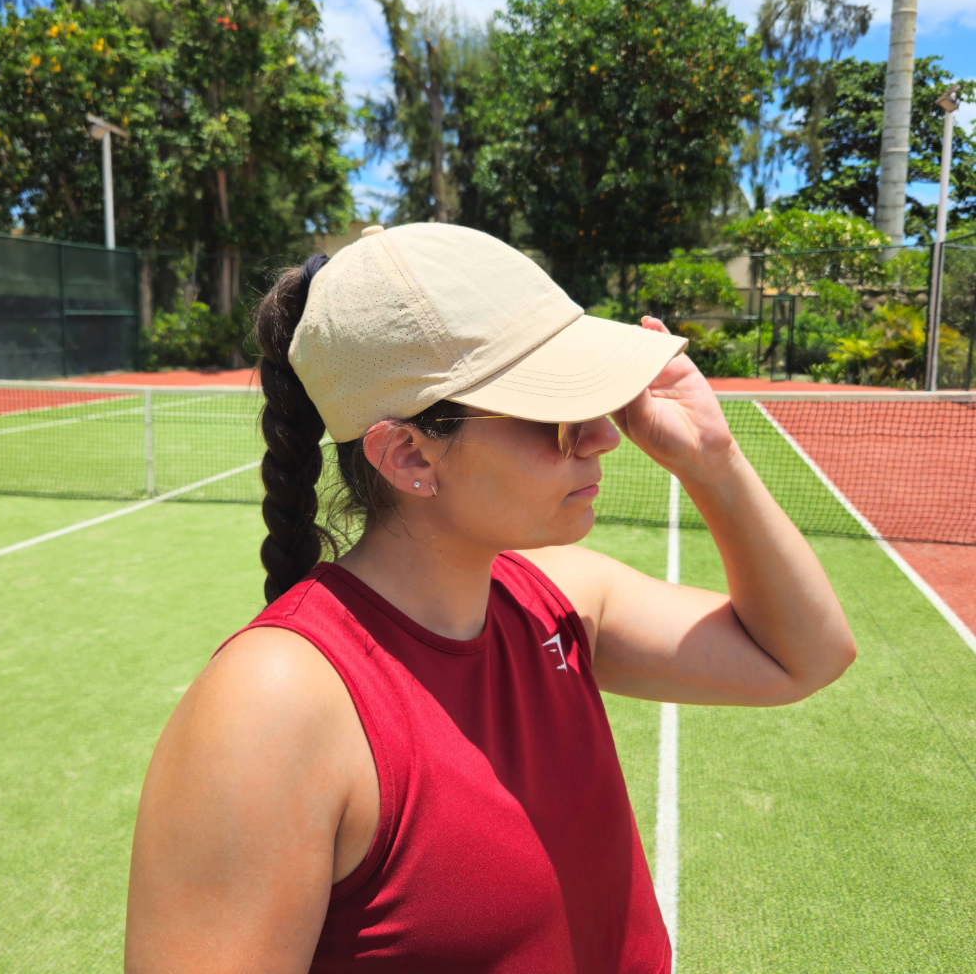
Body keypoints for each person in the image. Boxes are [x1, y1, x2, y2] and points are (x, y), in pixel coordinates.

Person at [125, 224, 855, 974]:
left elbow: (804, 656)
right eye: (558, 417)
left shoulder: (559, 597)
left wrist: (714, 464)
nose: (604, 436)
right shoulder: (272, 707)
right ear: (409, 455)